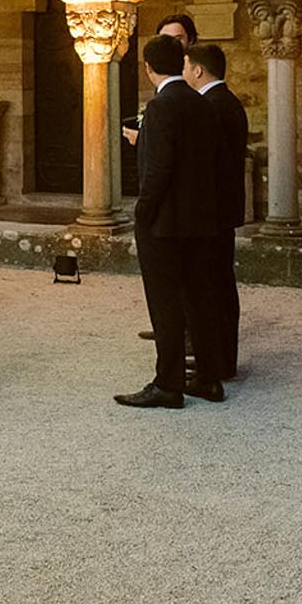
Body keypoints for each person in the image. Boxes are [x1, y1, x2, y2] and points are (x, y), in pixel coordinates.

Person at [115, 34, 224, 409]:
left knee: (165, 304)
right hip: (200, 220)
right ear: (181, 64)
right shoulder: (201, 103)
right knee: (199, 299)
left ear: (148, 68)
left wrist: (143, 212)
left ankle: (169, 383)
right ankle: (209, 377)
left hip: (166, 223)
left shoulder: (162, 106)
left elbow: (159, 168)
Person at [187, 41, 247, 381]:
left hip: (212, 212)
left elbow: (205, 162)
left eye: (185, 66)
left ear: (197, 70)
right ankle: (220, 358)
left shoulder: (212, 105)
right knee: (220, 285)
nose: (183, 73)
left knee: (211, 287)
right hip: (222, 210)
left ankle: (217, 362)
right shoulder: (227, 102)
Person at [124, 15, 201, 148]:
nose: (170, 45)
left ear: (191, 40)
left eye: (178, 39)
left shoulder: (197, 77)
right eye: (165, 39)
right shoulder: (161, 82)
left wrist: (142, 140)